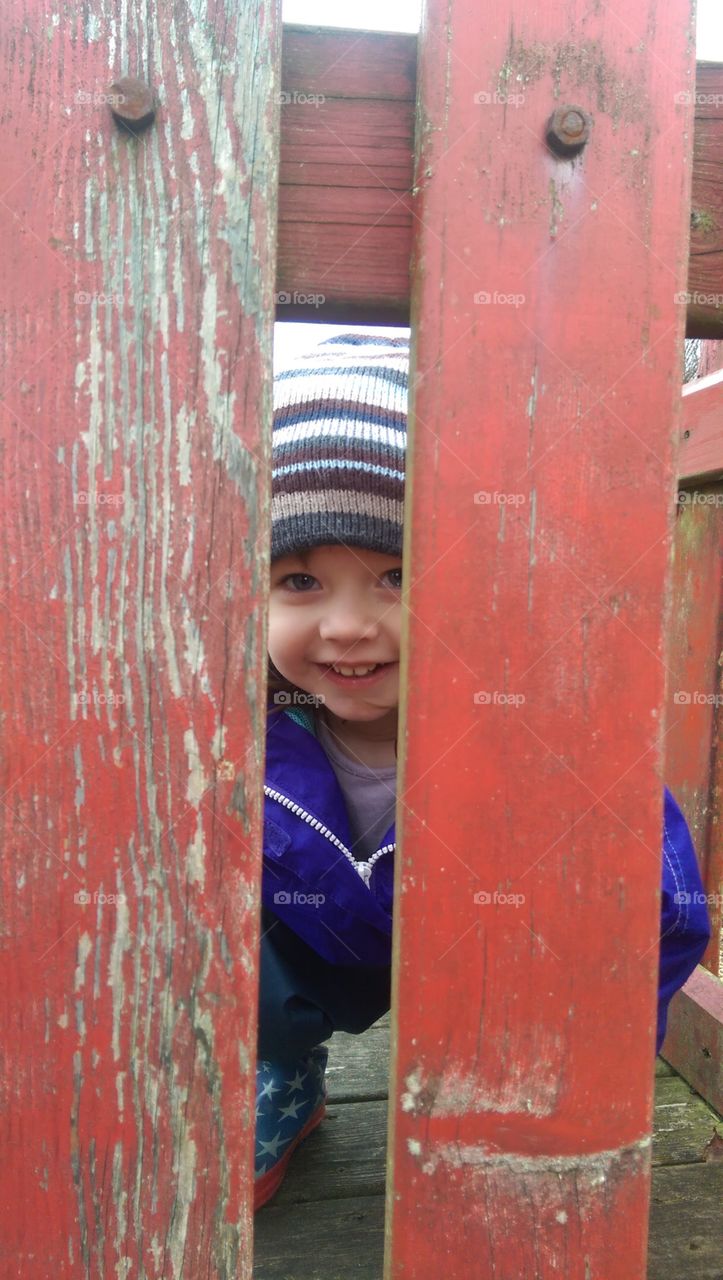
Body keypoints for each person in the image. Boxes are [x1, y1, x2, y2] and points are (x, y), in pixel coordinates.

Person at [253, 331, 711, 1211]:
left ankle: (512, 1093)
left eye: (397, 573)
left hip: (483, 967)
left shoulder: (541, 738)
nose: (346, 625)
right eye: (300, 582)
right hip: (307, 953)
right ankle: (274, 1068)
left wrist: (602, 1055)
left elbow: (656, 902)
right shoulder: (230, 737)